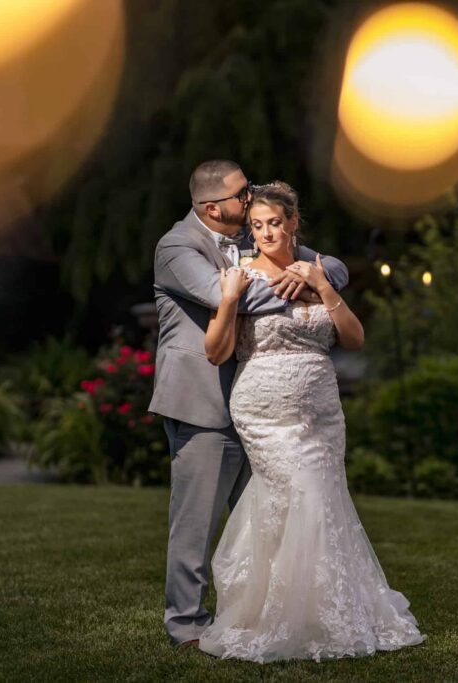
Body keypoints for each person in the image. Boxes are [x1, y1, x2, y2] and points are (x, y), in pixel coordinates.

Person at [198, 181, 424, 662]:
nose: (265, 234)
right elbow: (217, 352)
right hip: (264, 409)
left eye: (274, 224)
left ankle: (330, 608)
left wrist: (322, 286)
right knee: (302, 494)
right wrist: (230, 300)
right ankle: (281, 615)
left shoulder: (320, 271)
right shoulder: (240, 277)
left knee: (324, 497)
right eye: (256, 226)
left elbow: (355, 339)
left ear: (293, 222)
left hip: (321, 409)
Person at [149, 161, 350, 648]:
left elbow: (335, 267)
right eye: (244, 194)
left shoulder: (244, 238)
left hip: (261, 404)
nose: (254, 196)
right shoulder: (177, 247)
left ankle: (255, 612)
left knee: (262, 521)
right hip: (202, 399)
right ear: (213, 207)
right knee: (196, 522)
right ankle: (185, 623)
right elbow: (231, 298)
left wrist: (315, 276)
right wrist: (305, 284)